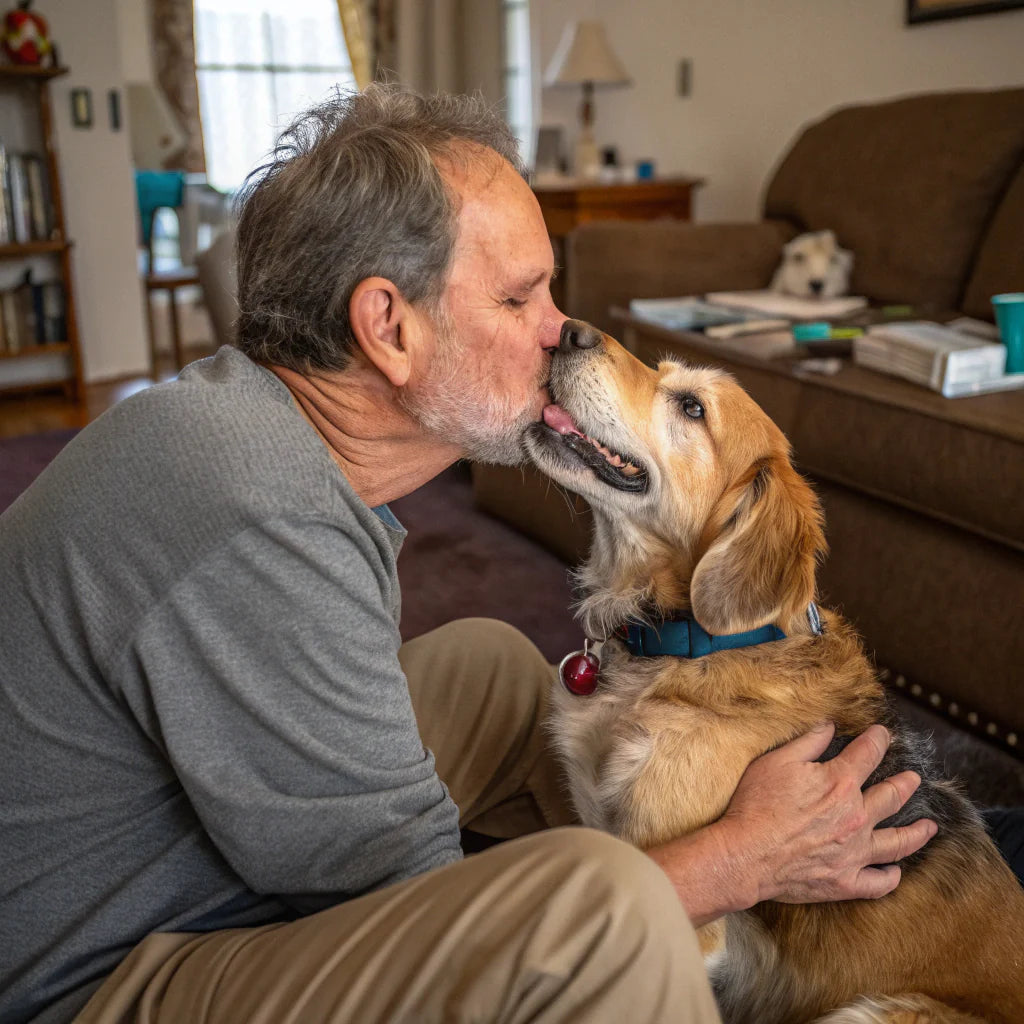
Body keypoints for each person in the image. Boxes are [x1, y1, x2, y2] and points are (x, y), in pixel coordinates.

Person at [0, 84, 953, 1024]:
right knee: (613, 904)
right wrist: (740, 860)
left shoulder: (251, 432)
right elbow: (407, 912)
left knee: (495, 670)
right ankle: (644, 957)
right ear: (390, 327)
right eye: (519, 296)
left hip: (167, 862)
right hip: (94, 980)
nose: (561, 328)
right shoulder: (257, 516)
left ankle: (678, 927)